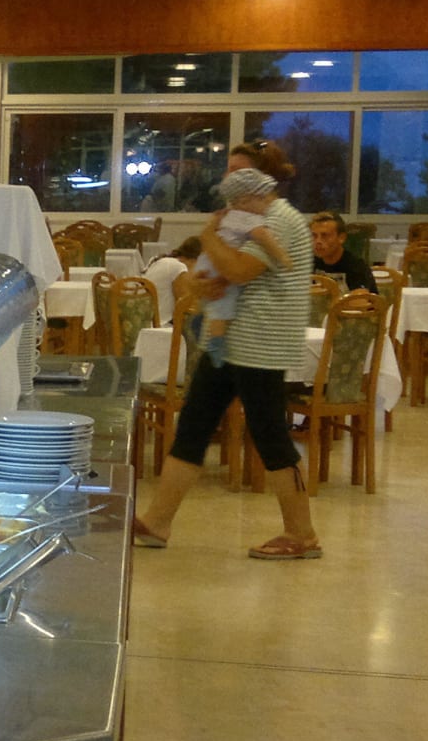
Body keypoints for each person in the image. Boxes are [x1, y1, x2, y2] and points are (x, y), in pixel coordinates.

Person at [133, 138, 320, 561]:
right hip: (228, 342)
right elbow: (214, 276)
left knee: (269, 434)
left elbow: (238, 269)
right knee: (194, 426)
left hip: (260, 342)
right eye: (228, 170)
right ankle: (158, 521)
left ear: (260, 178)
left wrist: (207, 235)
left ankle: (302, 533)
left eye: (238, 171)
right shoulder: (243, 218)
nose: (228, 179)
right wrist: (206, 280)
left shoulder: (279, 219)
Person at [187, 167, 292, 364]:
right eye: (261, 198)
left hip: (210, 259)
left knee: (217, 303)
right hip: (218, 261)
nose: (266, 203)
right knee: (223, 301)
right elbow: (261, 237)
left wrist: (208, 234)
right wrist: (282, 257)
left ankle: (209, 333)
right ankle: (216, 342)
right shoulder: (247, 217)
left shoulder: (230, 215)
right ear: (245, 201)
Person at [308, 210, 375, 293]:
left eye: (325, 236)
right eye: (314, 236)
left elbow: (361, 300)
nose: (318, 241)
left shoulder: (357, 267)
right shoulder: (310, 262)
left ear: (341, 238)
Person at [143, 236, 201, 325]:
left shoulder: (162, 261)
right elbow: (185, 305)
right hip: (164, 324)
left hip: (150, 322)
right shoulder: (178, 267)